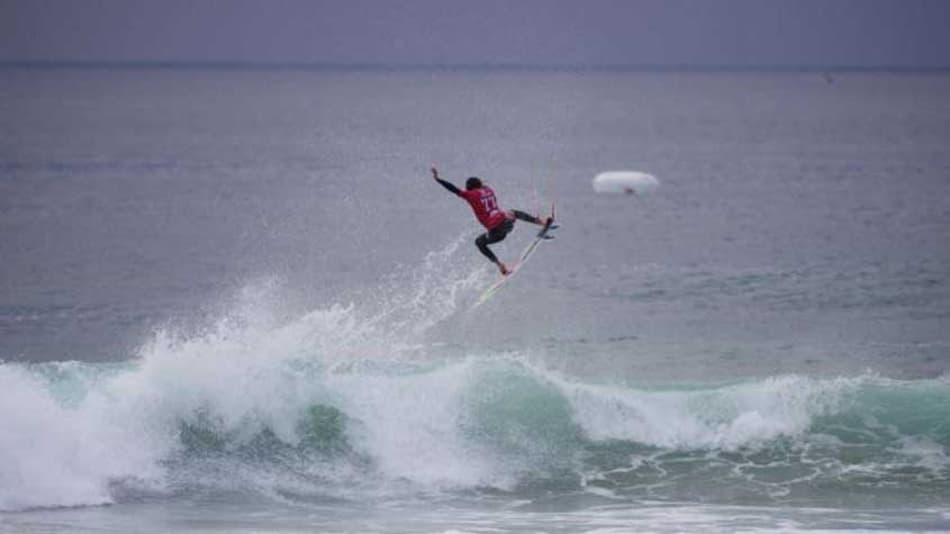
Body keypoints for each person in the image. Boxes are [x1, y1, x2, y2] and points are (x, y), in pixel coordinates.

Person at [431, 167, 551, 276]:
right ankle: (539, 221)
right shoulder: (489, 190)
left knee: (479, 242)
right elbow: (481, 186)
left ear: (469, 188)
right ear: (479, 184)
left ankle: (499, 265)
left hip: (496, 231)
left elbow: (453, 189)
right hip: (507, 223)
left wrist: (438, 179)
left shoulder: (470, 195)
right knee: (514, 212)